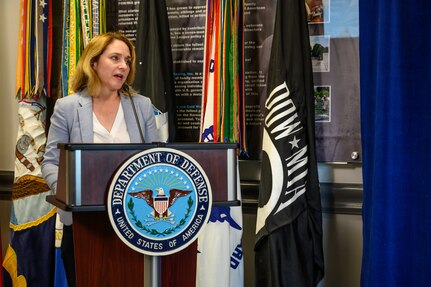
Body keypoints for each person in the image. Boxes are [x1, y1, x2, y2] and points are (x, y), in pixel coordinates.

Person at [42, 32, 160, 286]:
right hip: (84, 224)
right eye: (115, 58)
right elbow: (51, 161)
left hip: (134, 222)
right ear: (93, 62)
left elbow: (156, 161)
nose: (123, 66)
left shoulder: (142, 106)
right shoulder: (68, 107)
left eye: (127, 61)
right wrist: (65, 192)